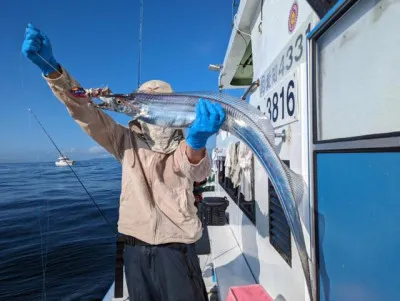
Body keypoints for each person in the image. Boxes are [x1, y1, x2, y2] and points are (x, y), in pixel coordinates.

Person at [22, 23, 225, 301]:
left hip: (177, 248)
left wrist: (199, 142)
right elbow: (84, 110)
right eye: (145, 102)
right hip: (132, 248)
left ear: (172, 106)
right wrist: (52, 70)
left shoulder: (185, 145)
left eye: (161, 102)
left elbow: (198, 170)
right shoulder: (124, 140)